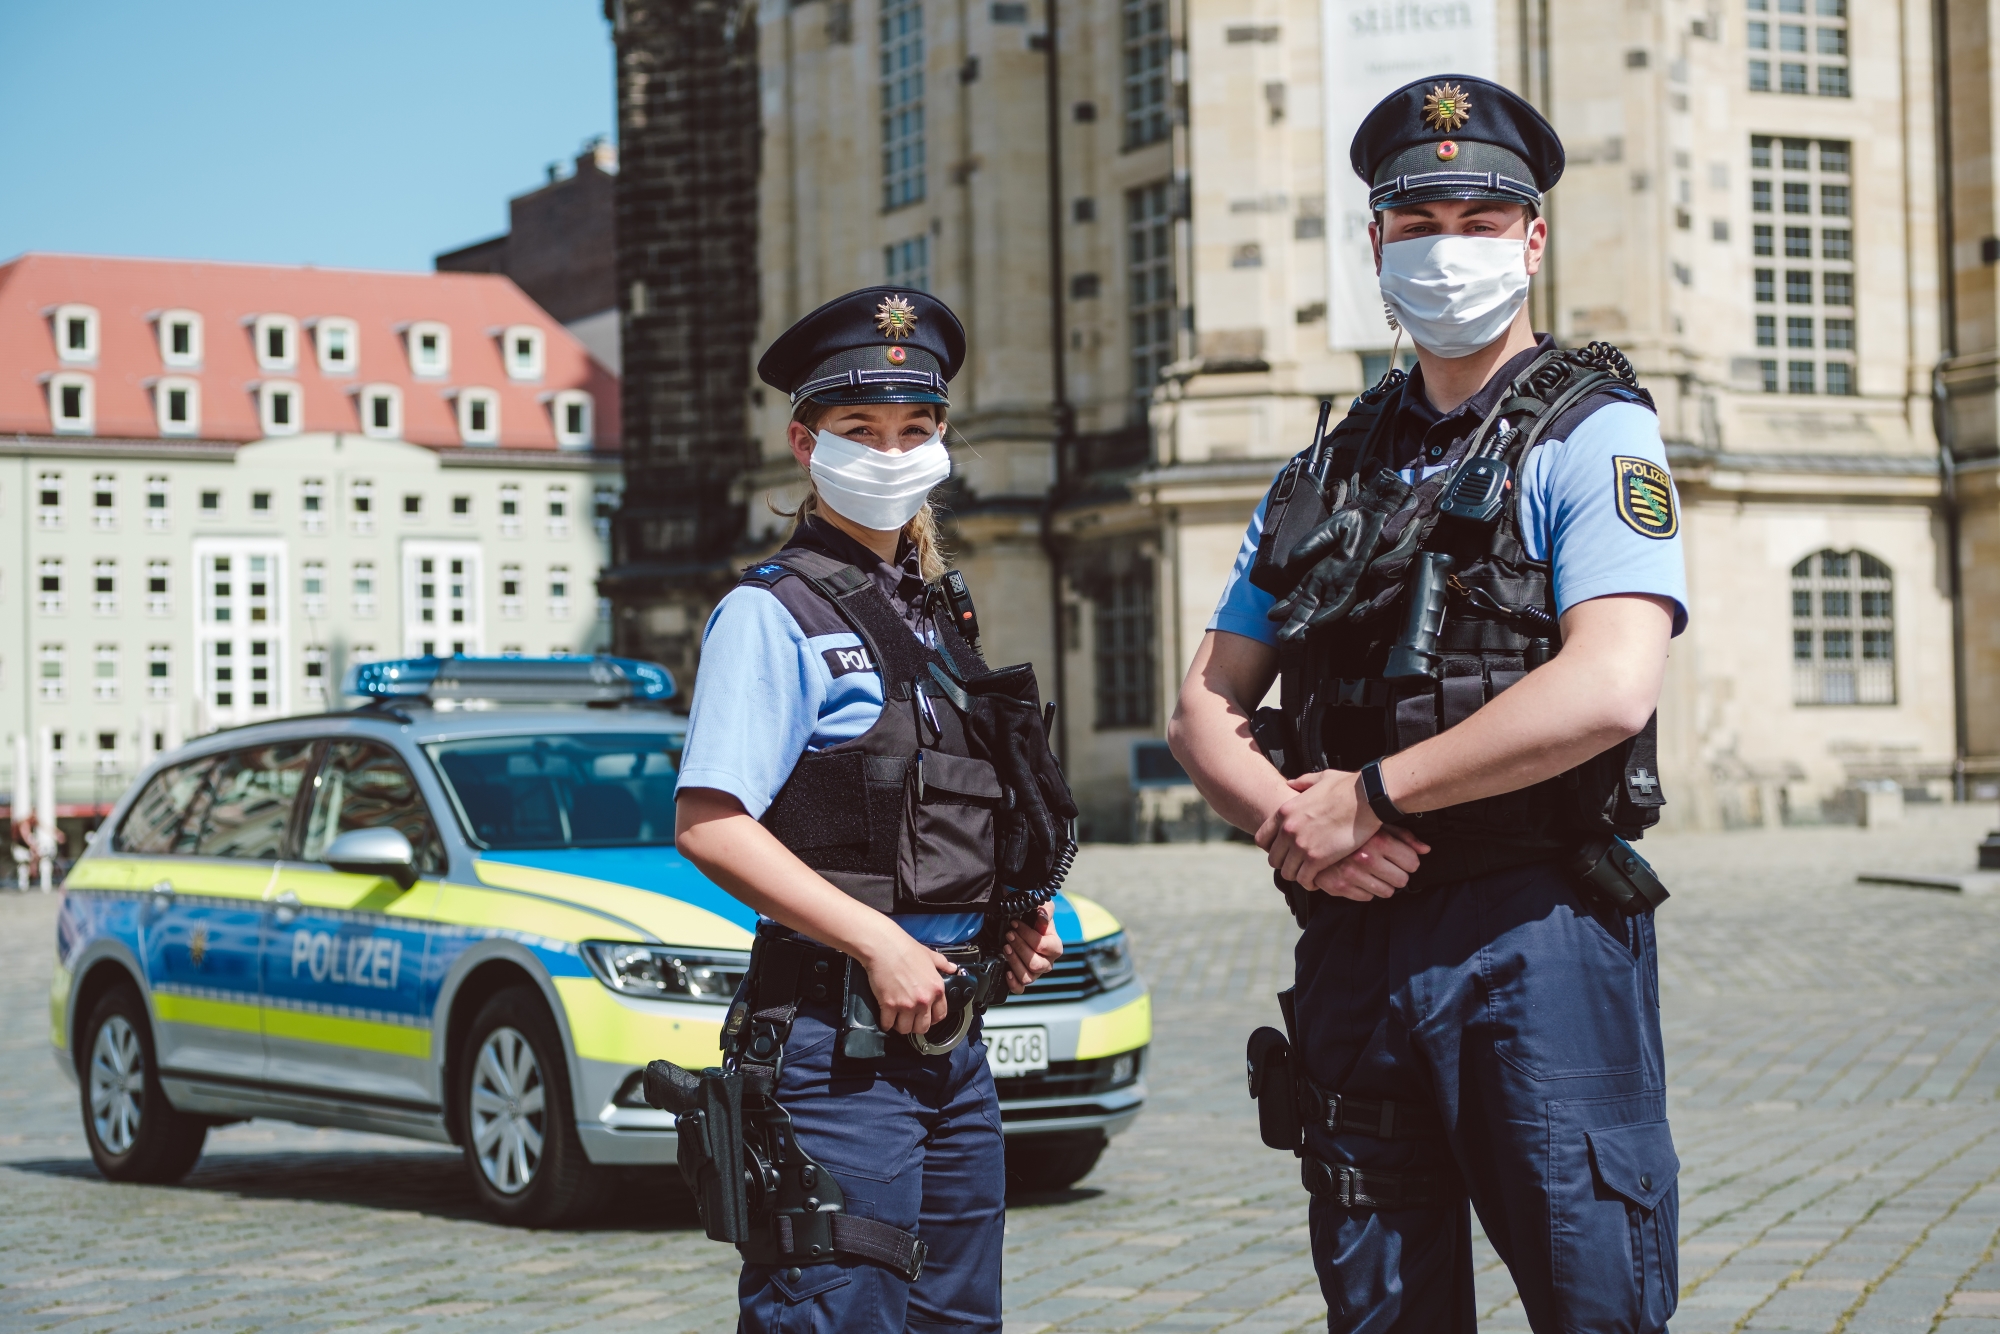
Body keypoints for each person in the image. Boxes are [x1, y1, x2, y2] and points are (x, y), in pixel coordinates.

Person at [1167, 76, 1688, 1333]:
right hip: (1355, 934)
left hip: (1536, 927)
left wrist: (1373, 797)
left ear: (1530, 239)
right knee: (1380, 1304)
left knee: (1590, 1293)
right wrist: (1298, 827)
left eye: (1476, 216)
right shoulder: (1321, 467)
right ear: (1374, 243)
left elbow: (1608, 683)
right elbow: (1203, 704)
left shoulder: (1594, 435)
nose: (1445, 246)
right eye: (1416, 220)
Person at [674, 286, 1070, 1334]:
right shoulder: (773, 611)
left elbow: (935, 812)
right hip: (832, 1045)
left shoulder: (936, 612)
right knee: (838, 1314)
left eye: (914, 428)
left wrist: (1004, 921)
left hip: (948, 1039)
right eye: (860, 430)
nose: (890, 451)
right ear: (805, 443)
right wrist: (878, 942)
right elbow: (711, 821)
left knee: (955, 1320)